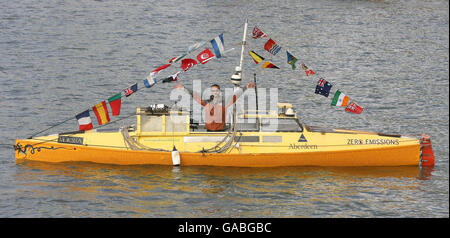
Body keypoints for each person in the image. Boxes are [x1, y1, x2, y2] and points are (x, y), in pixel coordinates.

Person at [174, 82, 256, 131]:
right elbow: (194, 95)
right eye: (213, 91)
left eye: (216, 91)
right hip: (209, 130)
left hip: (220, 130)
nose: (215, 92)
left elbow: (236, 95)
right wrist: (184, 88)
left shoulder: (225, 101)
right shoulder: (206, 102)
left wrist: (246, 87)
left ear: (219, 92)